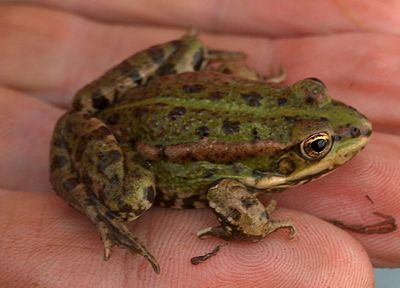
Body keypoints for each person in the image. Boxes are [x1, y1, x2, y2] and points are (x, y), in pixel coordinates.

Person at [0, 1, 399, 287]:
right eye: (317, 145)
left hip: (158, 97)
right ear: (283, 160)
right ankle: (96, 206)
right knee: (131, 199)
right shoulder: (254, 166)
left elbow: (231, 72)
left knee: (190, 49)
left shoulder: (251, 88)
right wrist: (255, 225)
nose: (357, 125)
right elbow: (226, 192)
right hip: (134, 145)